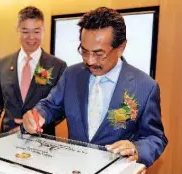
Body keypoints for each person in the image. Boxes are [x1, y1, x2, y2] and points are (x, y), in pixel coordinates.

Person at [22, 7, 167, 167]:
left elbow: (155, 138)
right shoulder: (72, 75)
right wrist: (37, 115)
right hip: (74, 168)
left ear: (121, 48)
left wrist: (136, 148)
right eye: (84, 51)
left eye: (99, 54)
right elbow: (50, 106)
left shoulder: (145, 86)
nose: (90, 61)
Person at [0, 6, 67, 138]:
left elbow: (61, 107)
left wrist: (37, 122)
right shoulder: (4, 63)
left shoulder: (58, 66)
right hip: (7, 137)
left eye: (36, 32)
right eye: (25, 31)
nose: (31, 37)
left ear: (43, 31)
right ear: (18, 30)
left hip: (41, 139)